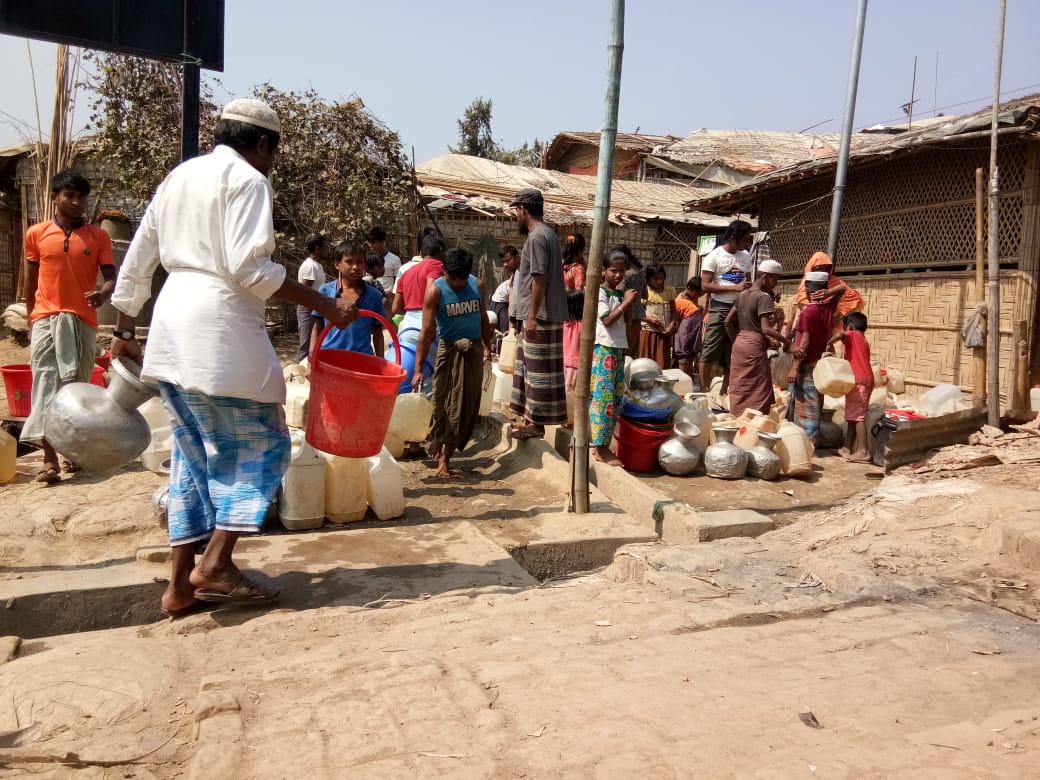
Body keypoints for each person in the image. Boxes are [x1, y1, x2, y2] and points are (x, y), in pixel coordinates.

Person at [110, 98, 357, 617]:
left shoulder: (181, 176)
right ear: (263, 143)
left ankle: (179, 586)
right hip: (216, 331)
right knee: (265, 446)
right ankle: (216, 562)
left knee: (192, 458)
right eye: (274, 152)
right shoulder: (247, 180)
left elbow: (139, 254)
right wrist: (326, 306)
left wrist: (125, 324)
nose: (272, 162)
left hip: (171, 326)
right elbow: (253, 272)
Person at [21, 170, 116, 483]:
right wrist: (32, 317)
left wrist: (103, 293)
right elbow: (30, 281)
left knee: (76, 389)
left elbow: (109, 277)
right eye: (69, 195)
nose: (76, 202)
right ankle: (49, 460)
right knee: (47, 384)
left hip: (84, 322)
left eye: (81, 197)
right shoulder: (36, 234)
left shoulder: (98, 237)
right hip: (46, 319)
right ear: (55, 198)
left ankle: (72, 452)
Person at [412, 248, 491, 478]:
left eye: (462, 278)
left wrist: (486, 346)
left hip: (473, 349)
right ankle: (437, 438)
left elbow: (483, 317)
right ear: (444, 271)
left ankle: (445, 459)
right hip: (448, 348)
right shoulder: (435, 290)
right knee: (440, 400)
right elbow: (426, 332)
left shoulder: (478, 285)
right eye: (452, 277)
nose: (457, 283)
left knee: (464, 405)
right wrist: (417, 369)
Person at [507, 188, 568, 440]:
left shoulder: (537, 237)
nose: (516, 216)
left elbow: (539, 278)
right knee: (531, 369)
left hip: (541, 316)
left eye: (516, 211)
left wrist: (531, 316)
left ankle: (537, 424)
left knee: (539, 372)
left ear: (523, 209)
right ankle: (531, 419)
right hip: (542, 314)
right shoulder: (547, 234)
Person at [725, 260, 790, 417]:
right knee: (758, 388)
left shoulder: (742, 295)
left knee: (740, 385)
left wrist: (738, 340)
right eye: (774, 279)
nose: (775, 284)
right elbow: (765, 328)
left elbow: (727, 322)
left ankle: (737, 418)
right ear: (765, 276)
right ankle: (754, 423)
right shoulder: (763, 297)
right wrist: (788, 342)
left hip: (740, 342)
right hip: (754, 345)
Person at [699, 220, 754, 394]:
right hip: (720, 307)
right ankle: (702, 390)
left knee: (733, 350)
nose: (747, 243)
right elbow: (705, 286)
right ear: (733, 238)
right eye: (745, 239)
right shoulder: (714, 256)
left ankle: (724, 391)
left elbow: (748, 280)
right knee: (710, 348)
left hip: (739, 308)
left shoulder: (745, 256)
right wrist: (733, 288)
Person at [589, 249, 632, 467]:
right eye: (613, 270)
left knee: (615, 399)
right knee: (603, 399)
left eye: (621, 271)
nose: (618, 275)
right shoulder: (601, 292)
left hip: (617, 348)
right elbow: (606, 320)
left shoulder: (618, 293)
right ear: (604, 271)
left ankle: (603, 444)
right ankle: (599, 447)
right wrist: (626, 303)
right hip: (604, 348)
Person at [786, 271, 839, 445]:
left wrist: (794, 367)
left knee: (806, 406)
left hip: (806, 363)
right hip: (819, 364)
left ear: (808, 291)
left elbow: (805, 341)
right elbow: (843, 289)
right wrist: (830, 293)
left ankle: (807, 442)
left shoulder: (808, 312)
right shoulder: (828, 308)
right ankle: (808, 439)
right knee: (816, 401)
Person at [311, 240, 386, 358]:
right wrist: (312, 358)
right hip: (330, 358)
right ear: (337, 265)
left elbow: (377, 332)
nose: (355, 267)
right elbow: (317, 328)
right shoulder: (325, 291)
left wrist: (381, 362)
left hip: (362, 359)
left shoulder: (374, 295)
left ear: (365, 265)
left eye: (360, 262)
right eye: (349, 262)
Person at [827, 311, 874, 462]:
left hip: (860, 380)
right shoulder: (863, 339)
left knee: (858, 417)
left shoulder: (853, 335)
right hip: (859, 380)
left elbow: (842, 336)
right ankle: (848, 448)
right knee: (852, 416)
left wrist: (829, 342)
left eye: (845, 327)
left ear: (850, 326)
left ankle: (863, 451)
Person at [793, 251, 864, 336]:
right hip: (807, 320)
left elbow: (848, 292)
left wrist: (829, 292)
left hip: (826, 322)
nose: (823, 271)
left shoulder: (834, 283)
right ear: (812, 266)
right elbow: (798, 304)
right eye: (820, 267)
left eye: (827, 267)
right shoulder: (805, 283)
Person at [295, 233, 329, 362]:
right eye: (325, 247)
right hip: (308, 308)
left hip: (316, 309)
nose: (328, 250)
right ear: (317, 248)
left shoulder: (317, 265)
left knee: (316, 344)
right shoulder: (310, 266)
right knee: (306, 345)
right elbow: (305, 291)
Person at [638, 262, 677, 369]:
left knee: (662, 364)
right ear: (649, 279)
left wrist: (671, 325)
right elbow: (638, 311)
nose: (659, 281)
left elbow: (674, 311)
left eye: (661, 278)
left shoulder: (670, 291)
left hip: (664, 333)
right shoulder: (645, 291)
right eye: (655, 279)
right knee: (646, 363)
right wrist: (649, 319)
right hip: (647, 332)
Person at [616, 245, 646, 358]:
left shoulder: (627, 275)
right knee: (633, 347)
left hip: (626, 313)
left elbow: (618, 293)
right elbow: (645, 294)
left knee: (625, 348)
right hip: (638, 312)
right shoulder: (640, 272)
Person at [674, 277, 705, 379]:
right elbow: (676, 317)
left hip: (693, 324)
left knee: (691, 351)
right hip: (686, 326)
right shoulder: (680, 298)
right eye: (697, 294)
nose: (698, 296)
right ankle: (683, 378)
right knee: (684, 351)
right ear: (689, 288)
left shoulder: (693, 298)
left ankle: (686, 377)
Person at [562, 288, 585, 426]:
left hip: (563, 365)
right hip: (577, 366)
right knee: (575, 395)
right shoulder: (584, 326)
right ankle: (573, 420)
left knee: (566, 394)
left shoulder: (562, 324)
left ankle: (566, 419)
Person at [490, 245, 520, 334]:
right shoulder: (516, 274)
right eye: (503, 261)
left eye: (508, 260)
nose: (505, 264)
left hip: (506, 301)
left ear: (517, 257)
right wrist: (511, 325)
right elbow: (512, 301)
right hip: (500, 303)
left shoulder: (521, 270)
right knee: (507, 333)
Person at [366, 225, 400, 294]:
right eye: (369, 242)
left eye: (374, 242)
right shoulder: (365, 259)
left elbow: (398, 283)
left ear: (382, 241)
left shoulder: (394, 260)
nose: (370, 245)